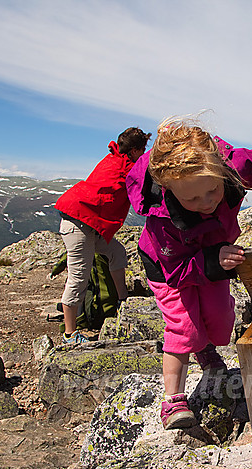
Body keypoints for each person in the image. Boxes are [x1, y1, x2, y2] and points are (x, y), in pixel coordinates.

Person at [126, 116, 252, 429]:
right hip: (168, 268)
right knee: (184, 327)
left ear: (220, 171)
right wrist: (211, 261)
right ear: (168, 189)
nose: (206, 203)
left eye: (212, 191)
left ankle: (207, 351)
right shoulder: (162, 218)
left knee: (219, 323)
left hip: (214, 256)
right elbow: (175, 273)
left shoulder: (231, 164)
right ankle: (173, 400)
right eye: (192, 199)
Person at [54, 127, 151, 344]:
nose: (145, 153)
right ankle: (70, 334)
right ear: (134, 150)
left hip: (87, 222)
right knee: (79, 275)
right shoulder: (124, 168)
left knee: (116, 251)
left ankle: (122, 300)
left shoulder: (115, 159)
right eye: (143, 149)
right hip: (79, 223)